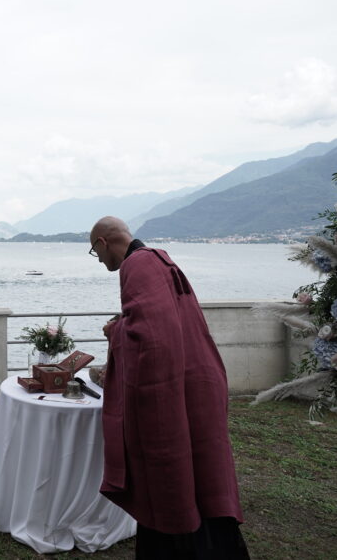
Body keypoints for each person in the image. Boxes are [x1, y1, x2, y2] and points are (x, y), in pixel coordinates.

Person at [89, 217, 248, 559]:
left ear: (103, 242)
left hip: (171, 392)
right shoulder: (160, 259)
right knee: (202, 476)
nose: (100, 261)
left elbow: (153, 339)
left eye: (95, 252)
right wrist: (124, 325)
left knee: (169, 478)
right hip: (197, 383)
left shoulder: (138, 265)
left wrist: (115, 332)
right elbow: (162, 324)